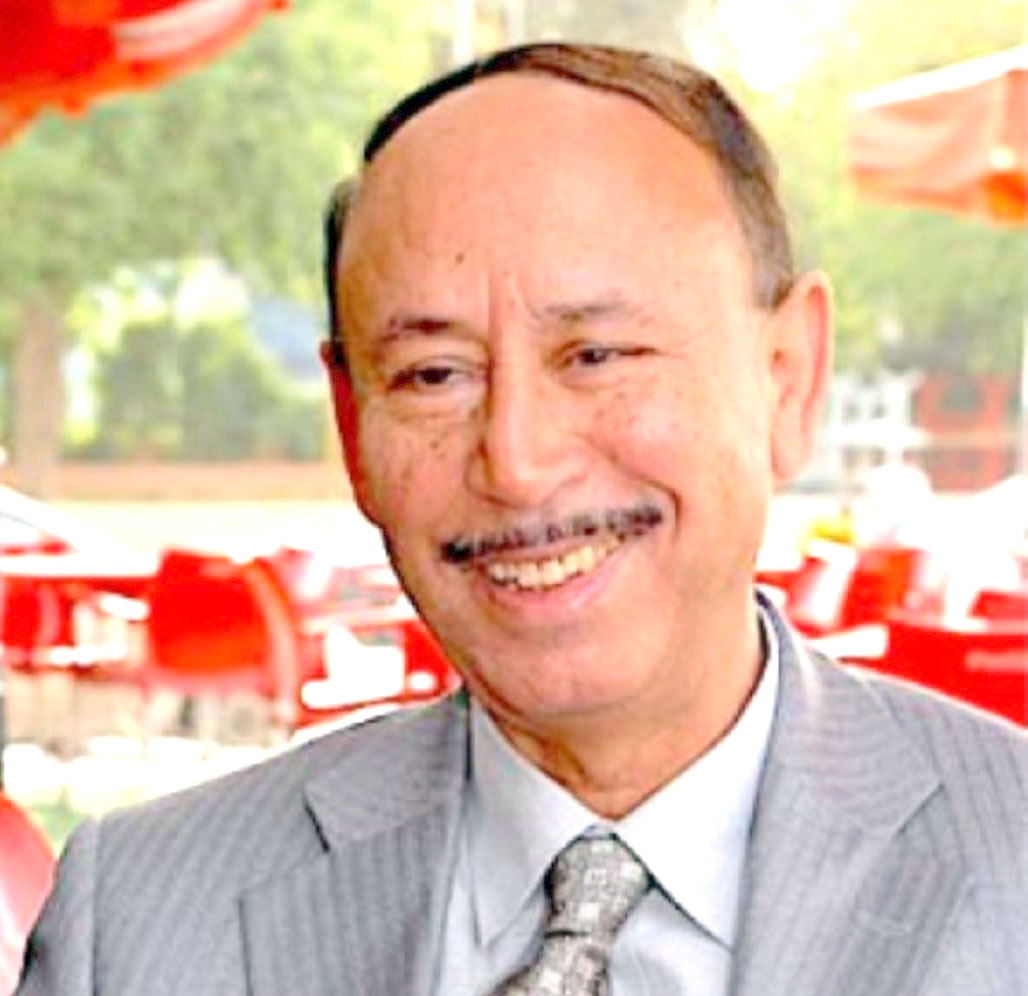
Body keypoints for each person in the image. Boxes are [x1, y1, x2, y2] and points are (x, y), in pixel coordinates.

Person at [18, 42, 1028, 996]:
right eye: (433, 374)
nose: (516, 459)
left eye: (595, 355)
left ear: (787, 378)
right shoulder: (144, 921)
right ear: (352, 424)